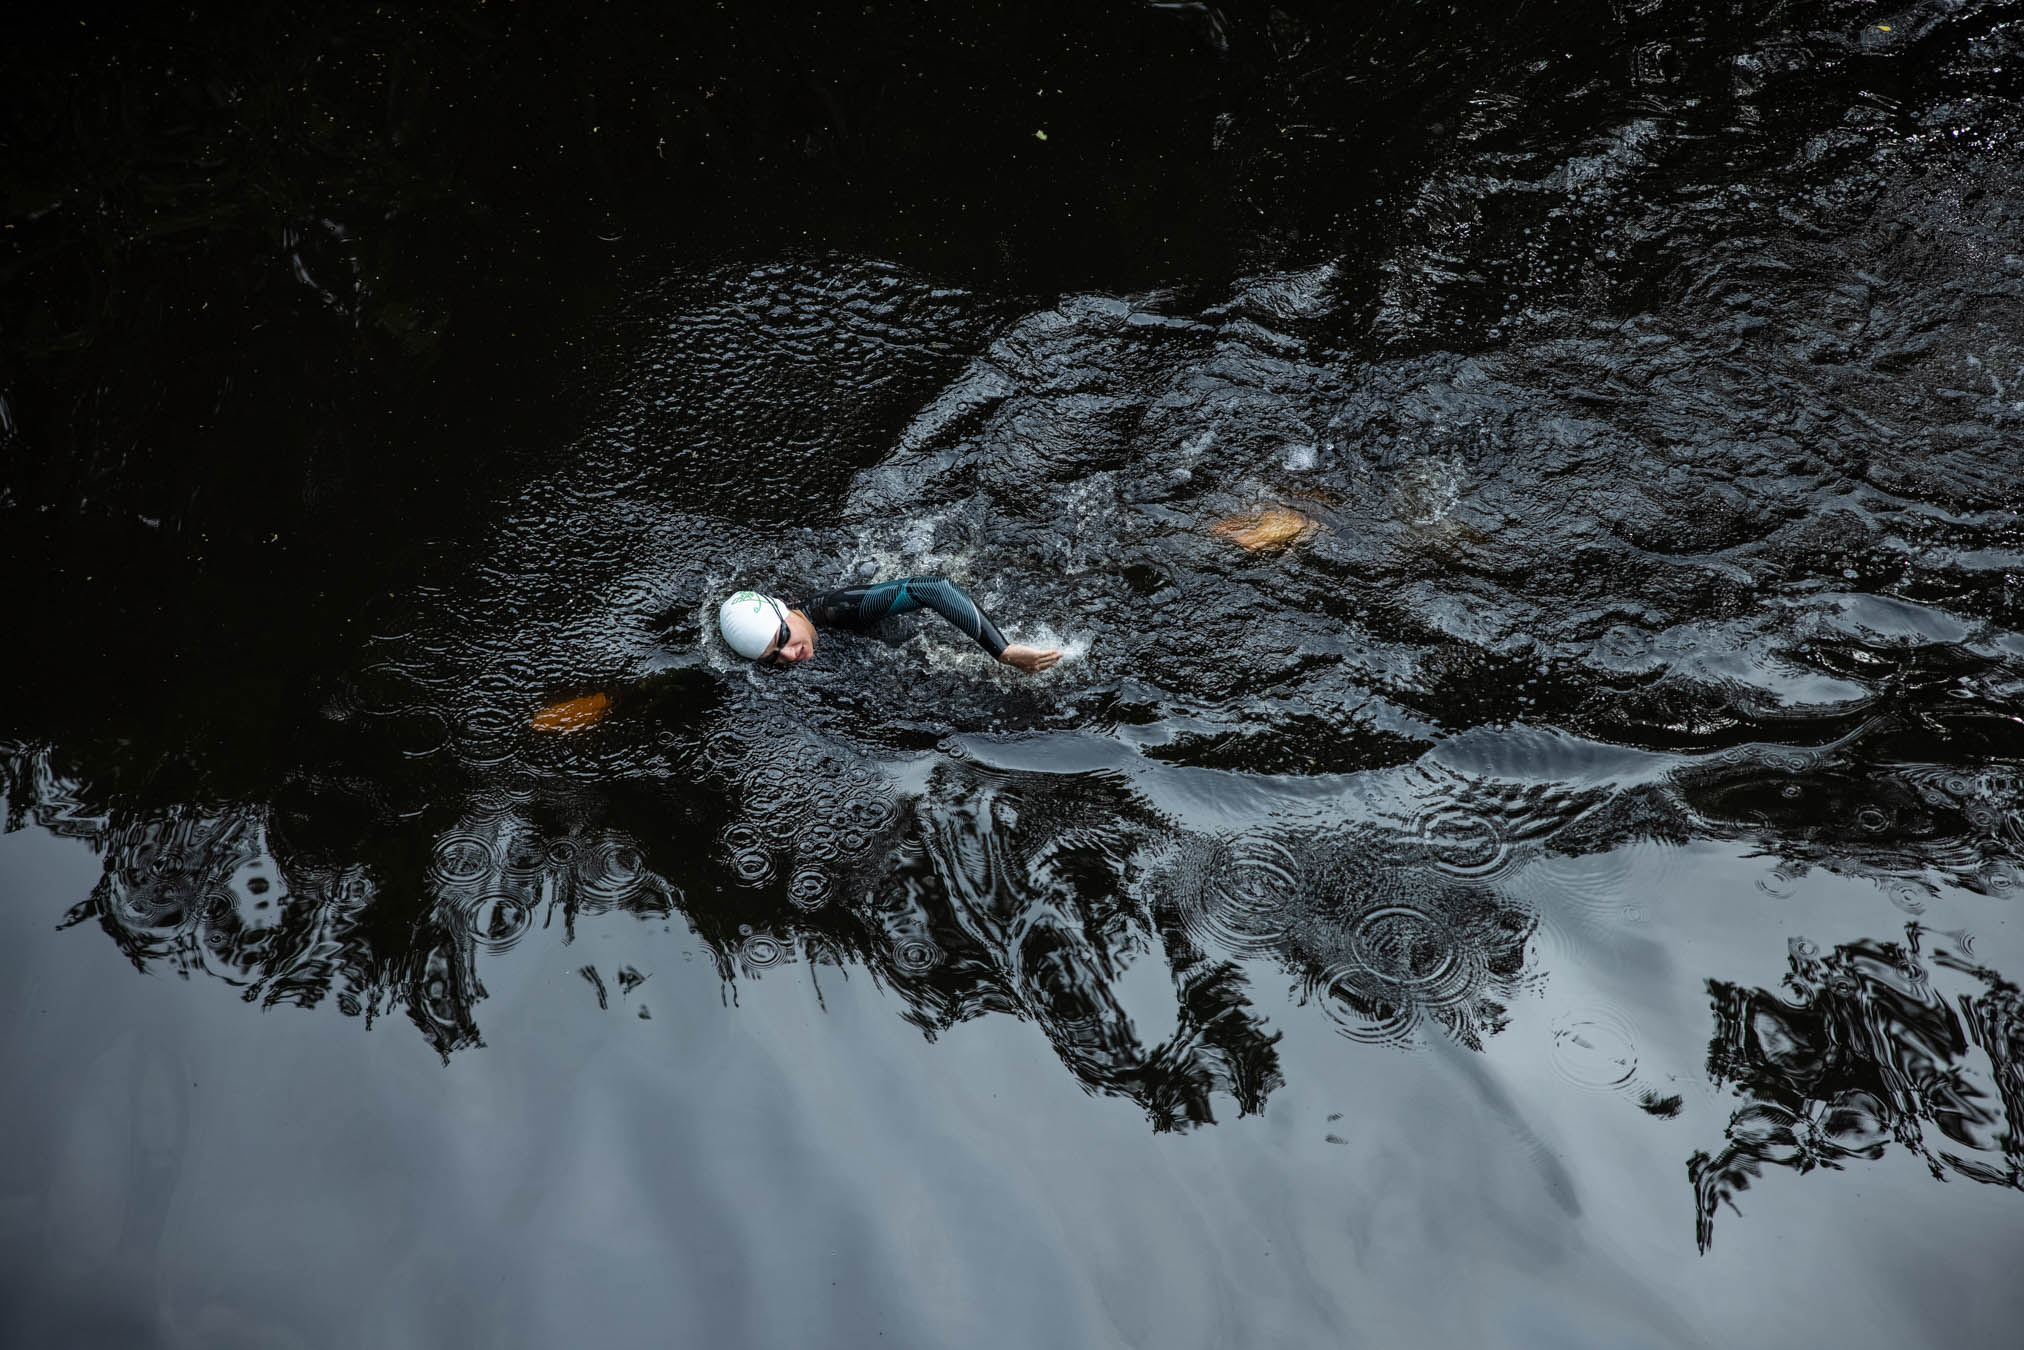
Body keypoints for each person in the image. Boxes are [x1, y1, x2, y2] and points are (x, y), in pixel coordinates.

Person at [719, 577, 1062, 673]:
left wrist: (1003, 651)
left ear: (785, 612)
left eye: (783, 638)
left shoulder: (841, 609)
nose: (789, 655)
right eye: (772, 658)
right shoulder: (785, 668)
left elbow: (933, 588)